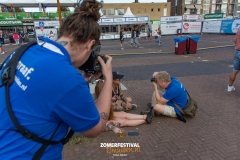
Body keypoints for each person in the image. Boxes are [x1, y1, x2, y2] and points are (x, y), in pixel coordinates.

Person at [0, 0, 113, 159]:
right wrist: (108, 80)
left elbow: (40, 95)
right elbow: (94, 129)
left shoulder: (24, 50)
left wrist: (81, 82)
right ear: (90, 44)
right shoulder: (68, 79)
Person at [228, 27, 240, 92]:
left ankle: (229, 87)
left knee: (235, 70)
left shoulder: (239, 28)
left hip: (237, 51)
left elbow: (235, 40)